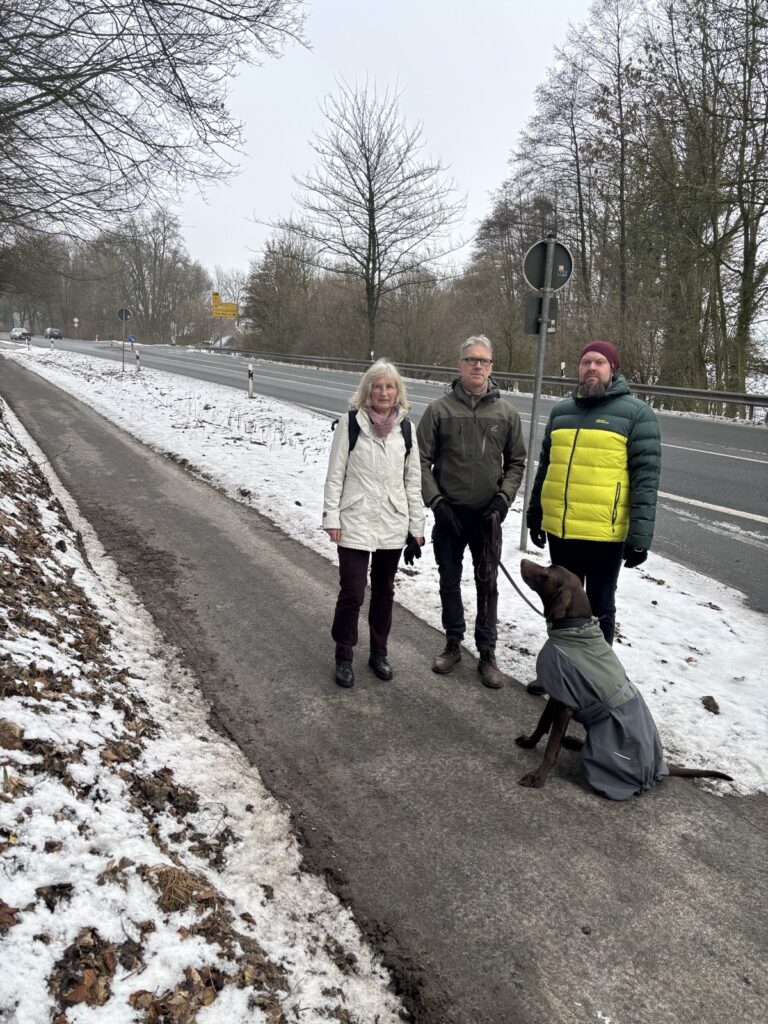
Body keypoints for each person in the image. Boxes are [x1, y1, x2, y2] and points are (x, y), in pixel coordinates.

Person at [525, 340, 661, 693]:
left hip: (605, 534)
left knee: (600, 607)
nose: (592, 368)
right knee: (559, 606)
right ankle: (558, 675)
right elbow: (546, 467)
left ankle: (598, 682)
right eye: (586, 361)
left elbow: (646, 478)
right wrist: (536, 512)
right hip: (562, 530)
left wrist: (640, 536)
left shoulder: (636, 414)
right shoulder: (561, 411)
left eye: (600, 362)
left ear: (612, 369)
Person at [416, 335, 527, 688]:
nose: (477, 366)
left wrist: (502, 501)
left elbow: (517, 462)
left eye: (483, 361)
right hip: (449, 515)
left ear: (491, 367)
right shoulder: (439, 411)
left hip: (487, 518)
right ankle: (452, 642)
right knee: (449, 581)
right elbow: (418, 461)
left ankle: (488, 651)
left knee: (488, 585)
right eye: (470, 360)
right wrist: (436, 501)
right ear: (460, 365)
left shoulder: (507, 414)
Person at [323, 360, 425, 688]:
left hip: (392, 523)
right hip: (354, 519)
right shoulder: (351, 423)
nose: (384, 392)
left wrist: (417, 528)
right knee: (352, 592)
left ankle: (379, 652)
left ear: (398, 392)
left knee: (384, 591)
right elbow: (335, 474)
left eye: (390, 386)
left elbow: (412, 480)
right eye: (378, 386)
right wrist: (331, 516)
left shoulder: (406, 430)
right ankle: (343, 655)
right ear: (368, 390)